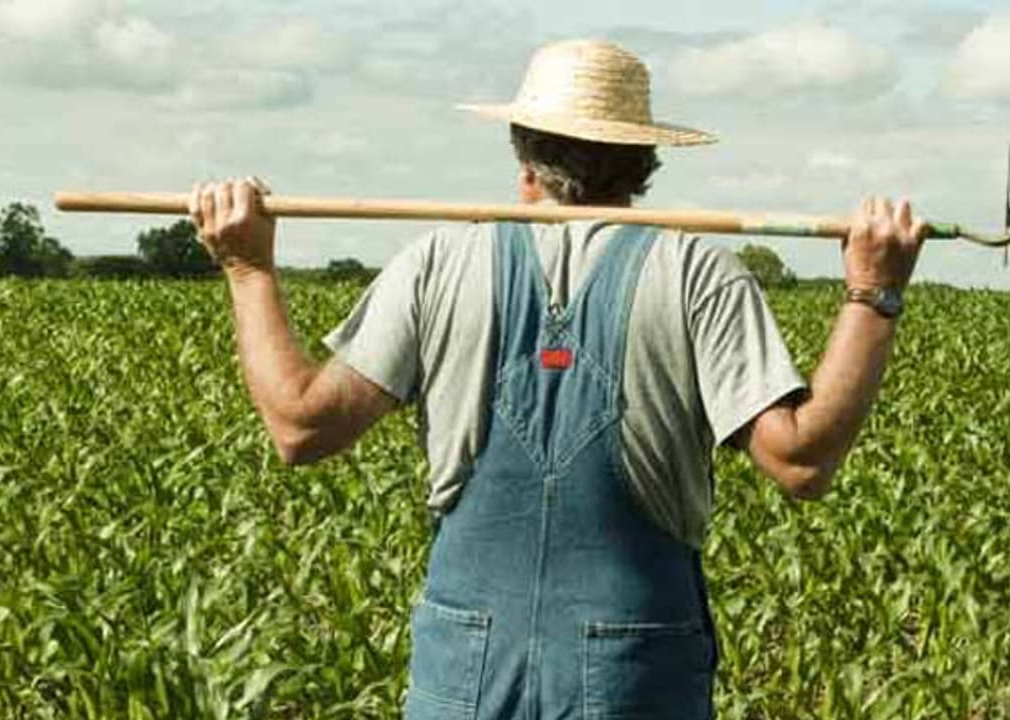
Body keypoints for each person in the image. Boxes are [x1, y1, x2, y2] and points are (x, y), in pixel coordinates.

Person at [188, 39, 924, 720]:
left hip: (463, 664)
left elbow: (301, 426)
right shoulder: (698, 273)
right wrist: (874, 293)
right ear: (644, 159)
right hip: (638, 666)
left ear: (524, 154)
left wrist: (248, 269)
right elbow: (801, 460)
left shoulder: (439, 263)